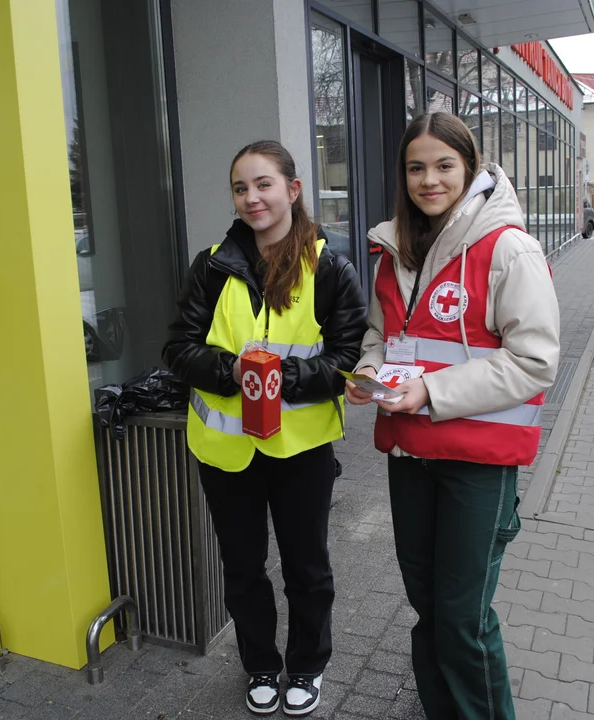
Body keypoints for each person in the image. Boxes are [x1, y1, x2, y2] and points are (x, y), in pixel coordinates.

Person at [344, 112, 560, 720]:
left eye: (444, 165)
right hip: (412, 456)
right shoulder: (394, 251)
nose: (429, 180)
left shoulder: (508, 248)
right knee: (429, 610)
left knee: (463, 620)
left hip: (477, 464)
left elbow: (536, 362)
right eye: (416, 168)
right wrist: (370, 372)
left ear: (469, 168)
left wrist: (432, 392)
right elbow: (381, 337)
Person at [163, 140, 366, 716]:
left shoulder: (329, 267)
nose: (251, 198)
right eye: (240, 188)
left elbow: (347, 356)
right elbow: (177, 349)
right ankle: (259, 664)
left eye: (263, 184)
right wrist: (231, 370)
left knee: (307, 566)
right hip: (225, 450)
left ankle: (305, 666)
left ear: (293, 190)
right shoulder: (212, 265)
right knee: (243, 567)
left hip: (300, 449)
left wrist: (282, 377)